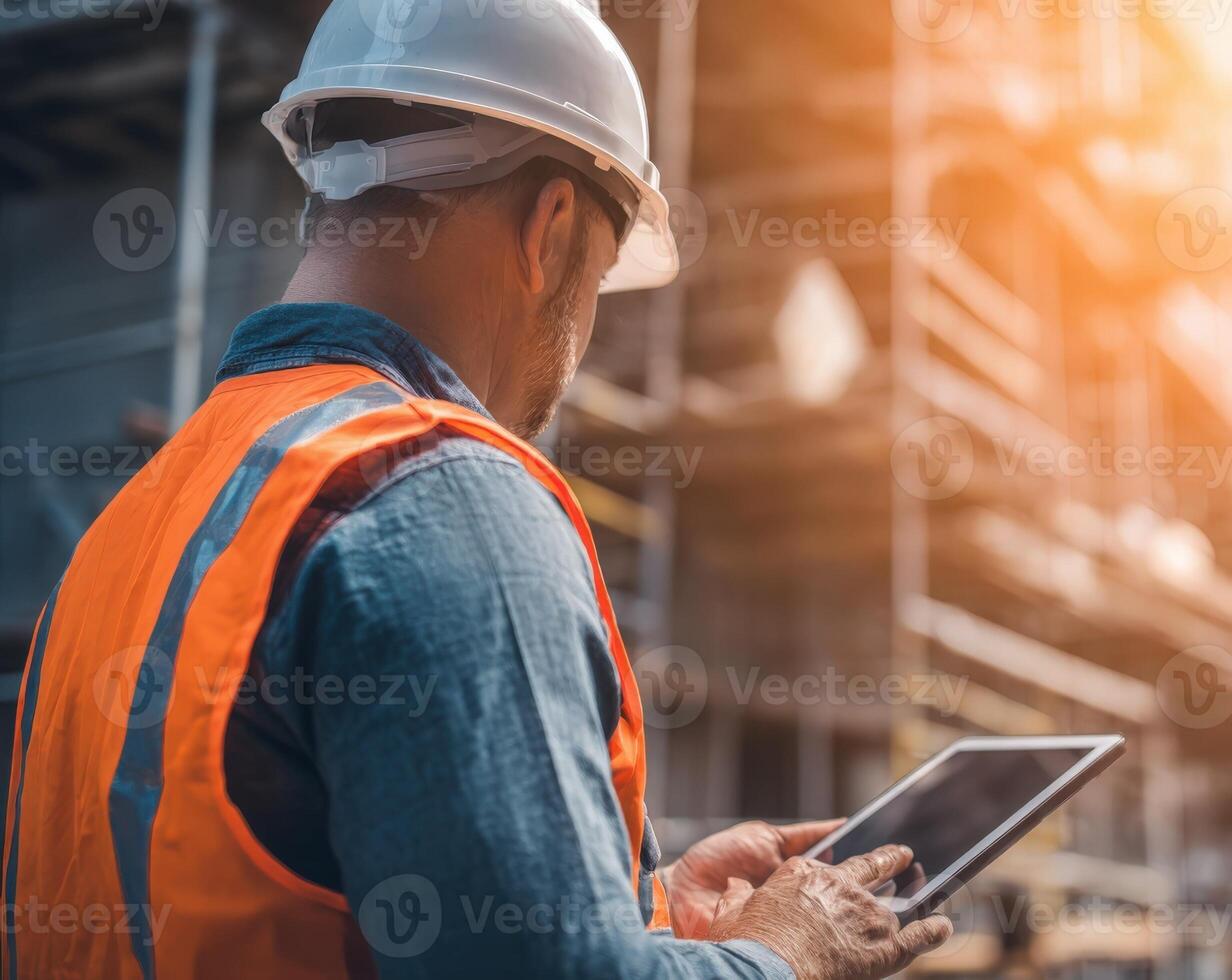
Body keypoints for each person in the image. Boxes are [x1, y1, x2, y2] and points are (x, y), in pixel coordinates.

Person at [1, 2, 950, 978]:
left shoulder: (135, 523)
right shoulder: (433, 490)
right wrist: (787, 953)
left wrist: (640, 908)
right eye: (596, 281)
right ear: (550, 230)